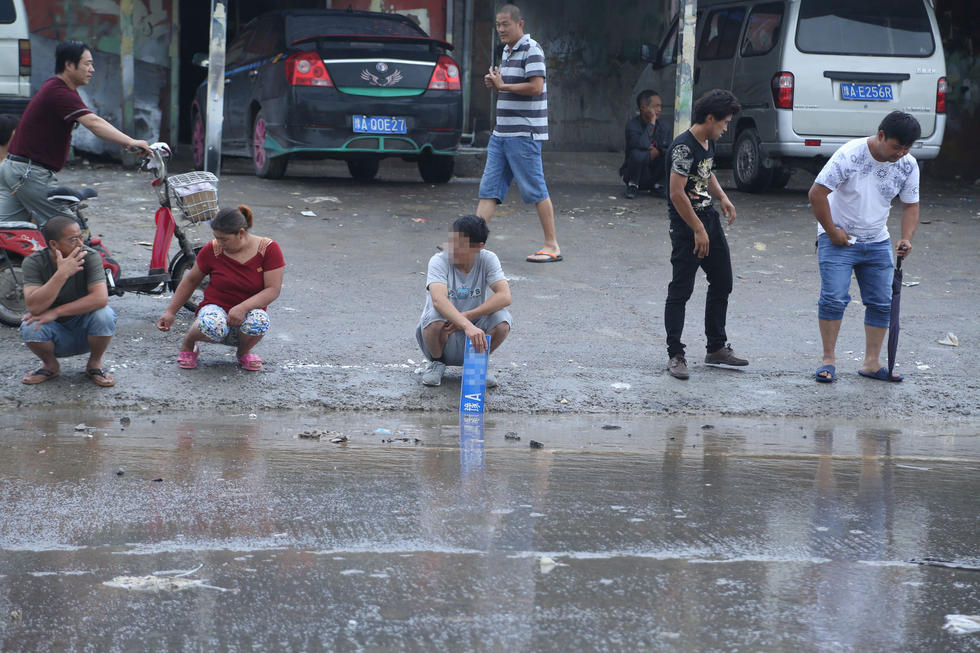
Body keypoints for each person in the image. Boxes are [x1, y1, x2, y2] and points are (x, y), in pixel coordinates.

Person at [809, 111, 921, 383]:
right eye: (896, 147)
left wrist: (906, 237)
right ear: (881, 135)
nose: (900, 154)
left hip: (877, 240)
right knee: (834, 298)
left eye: (906, 149)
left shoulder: (908, 164)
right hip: (838, 238)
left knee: (882, 303)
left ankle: (871, 363)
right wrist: (832, 231)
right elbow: (817, 193)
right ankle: (828, 360)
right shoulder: (850, 155)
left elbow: (911, 205)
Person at [0, 41, 150, 226]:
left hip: (15, 169)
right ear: (69, 65)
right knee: (69, 231)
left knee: (9, 235)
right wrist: (130, 142)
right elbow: (93, 123)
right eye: (87, 63)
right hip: (29, 173)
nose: (92, 69)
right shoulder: (59, 92)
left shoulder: (59, 89)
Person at [663, 89, 748, 380]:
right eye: (724, 122)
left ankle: (715, 348)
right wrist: (697, 229)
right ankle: (676, 354)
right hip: (688, 226)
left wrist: (723, 197)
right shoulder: (683, 147)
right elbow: (676, 193)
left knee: (722, 281)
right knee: (681, 290)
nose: (726, 129)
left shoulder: (706, 141)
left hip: (708, 220)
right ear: (709, 118)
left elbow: (705, 172)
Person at [477, 4, 562, 264]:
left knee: (536, 189)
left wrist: (504, 85)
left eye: (506, 24)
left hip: (524, 134)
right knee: (488, 190)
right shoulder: (506, 50)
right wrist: (496, 84)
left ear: (520, 24)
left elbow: (536, 87)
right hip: (501, 133)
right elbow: (510, 87)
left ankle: (552, 245)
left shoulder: (532, 49)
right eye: (498, 25)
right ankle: (471, 243)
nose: (501, 29)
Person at [157, 205, 284, 371]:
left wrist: (243, 307)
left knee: (260, 320)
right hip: (215, 309)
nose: (219, 243)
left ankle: (243, 351)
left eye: (224, 239)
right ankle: (189, 343)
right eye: (216, 237)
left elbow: (273, 290)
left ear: (241, 233)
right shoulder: (213, 249)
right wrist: (170, 311)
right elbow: (191, 281)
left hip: (249, 312)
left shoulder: (268, 249)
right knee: (213, 323)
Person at [20, 215, 117, 387]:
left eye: (81, 237)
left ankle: (94, 363)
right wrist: (61, 274)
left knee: (105, 315)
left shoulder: (90, 256)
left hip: (86, 328)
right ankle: (50, 365)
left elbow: (100, 298)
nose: (80, 244)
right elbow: (34, 307)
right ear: (53, 245)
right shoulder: (33, 262)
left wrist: (56, 311)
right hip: (53, 331)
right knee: (29, 326)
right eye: (73, 240)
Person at [417, 215, 512, 387]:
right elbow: (438, 300)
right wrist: (466, 324)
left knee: (503, 319)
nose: (453, 248)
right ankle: (436, 363)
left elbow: (504, 296)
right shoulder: (438, 260)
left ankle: (476, 365)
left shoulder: (488, 259)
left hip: (474, 337)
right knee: (436, 313)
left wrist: (467, 317)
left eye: (461, 244)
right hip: (442, 335)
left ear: (479, 247)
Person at [619, 89, 670, 199]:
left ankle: (659, 186)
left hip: (654, 171)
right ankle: (633, 185)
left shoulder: (664, 126)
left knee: (672, 154)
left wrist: (659, 151)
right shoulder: (632, 125)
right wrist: (652, 123)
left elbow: (666, 146)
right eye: (656, 106)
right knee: (638, 154)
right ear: (643, 107)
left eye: (660, 106)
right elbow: (642, 144)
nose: (659, 110)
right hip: (636, 173)